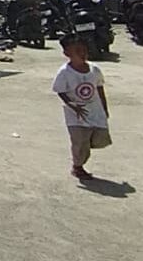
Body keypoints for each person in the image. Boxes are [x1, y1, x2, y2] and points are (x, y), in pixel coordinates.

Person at [53, 33, 110, 181]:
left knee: (100, 139)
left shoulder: (94, 70)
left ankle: (83, 152)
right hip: (76, 115)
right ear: (67, 54)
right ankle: (77, 167)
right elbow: (60, 91)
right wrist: (72, 105)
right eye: (77, 51)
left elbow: (99, 88)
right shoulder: (65, 73)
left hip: (94, 111)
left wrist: (104, 107)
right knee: (79, 141)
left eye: (84, 50)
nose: (82, 54)